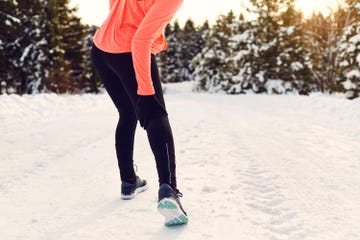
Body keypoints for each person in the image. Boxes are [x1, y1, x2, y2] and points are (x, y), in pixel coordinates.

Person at [91, 0, 188, 226]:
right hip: (129, 51)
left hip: (101, 50)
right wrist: (145, 92)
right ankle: (168, 190)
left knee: (126, 113)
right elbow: (141, 40)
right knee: (155, 114)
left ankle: (129, 180)